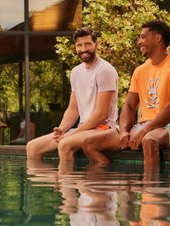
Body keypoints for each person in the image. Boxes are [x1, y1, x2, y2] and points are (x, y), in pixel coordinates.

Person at [83, 19, 170, 170]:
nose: (139, 42)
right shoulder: (140, 71)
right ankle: (107, 184)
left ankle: (149, 192)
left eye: (142, 37)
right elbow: (129, 105)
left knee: (149, 141)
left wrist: (144, 132)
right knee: (89, 143)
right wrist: (124, 132)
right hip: (143, 126)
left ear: (157, 38)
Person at [26, 27, 119, 162]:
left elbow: (102, 114)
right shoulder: (76, 72)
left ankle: (65, 182)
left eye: (88, 44)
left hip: (104, 128)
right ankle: (52, 182)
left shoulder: (105, 70)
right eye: (79, 45)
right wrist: (62, 130)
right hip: (83, 129)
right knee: (32, 147)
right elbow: (73, 109)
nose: (83, 49)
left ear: (96, 44)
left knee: (65, 144)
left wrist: (73, 134)